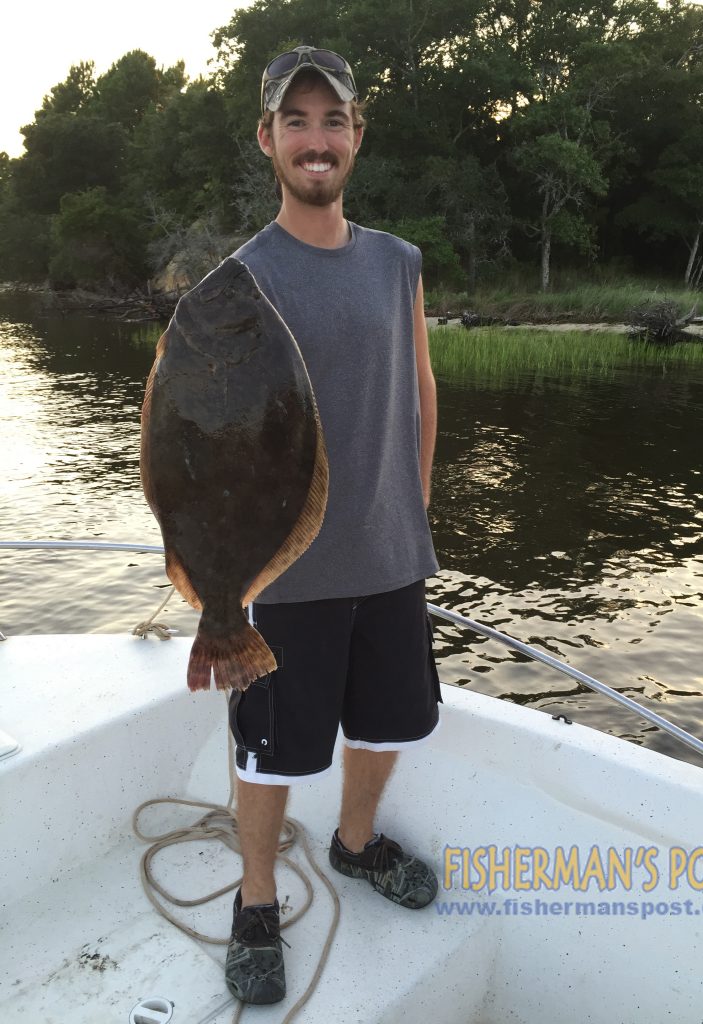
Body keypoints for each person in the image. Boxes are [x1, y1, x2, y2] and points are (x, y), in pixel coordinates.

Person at [224, 45, 442, 1006]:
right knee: (268, 752)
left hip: (393, 558)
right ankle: (257, 899)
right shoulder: (237, 281)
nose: (318, 139)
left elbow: (422, 387)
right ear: (268, 139)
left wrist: (415, 506)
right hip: (286, 576)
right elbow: (205, 438)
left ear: (358, 135)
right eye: (297, 122)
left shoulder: (400, 263)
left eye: (335, 120)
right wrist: (224, 583)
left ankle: (355, 845)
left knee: (386, 723)